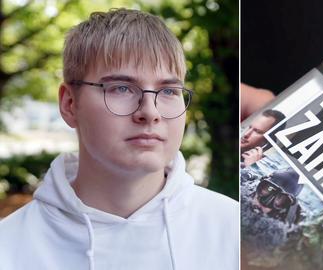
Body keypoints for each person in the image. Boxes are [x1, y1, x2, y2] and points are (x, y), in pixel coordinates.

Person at [0, 8, 238, 270]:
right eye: (121, 88)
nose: (149, 112)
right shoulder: (9, 248)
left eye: (169, 90)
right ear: (69, 104)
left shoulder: (237, 233)